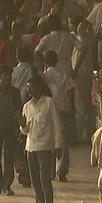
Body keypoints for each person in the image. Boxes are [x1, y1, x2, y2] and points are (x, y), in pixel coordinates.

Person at [16, 77, 62, 203]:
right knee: (35, 180)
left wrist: (58, 145)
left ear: (39, 88)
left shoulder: (49, 102)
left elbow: (57, 126)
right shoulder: (27, 106)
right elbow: (25, 131)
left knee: (45, 180)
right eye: (28, 87)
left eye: (32, 87)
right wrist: (22, 124)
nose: (29, 90)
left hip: (45, 147)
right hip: (31, 147)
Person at [42, 51, 75, 182]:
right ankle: (62, 171)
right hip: (63, 109)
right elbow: (71, 91)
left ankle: (50, 171)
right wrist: (70, 106)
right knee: (63, 140)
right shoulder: (64, 75)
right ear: (57, 61)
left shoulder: (43, 76)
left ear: (45, 62)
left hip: (48, 110)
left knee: (49, 139)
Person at [0, 65, 21, 195]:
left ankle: (6, 185)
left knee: (9, 157)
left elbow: (18, 109)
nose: (8, 77)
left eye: (9, 75)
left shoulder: (14, 92)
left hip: (9, 127)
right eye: (5, 74)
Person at [70, 15, 96, 144]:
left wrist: (82, 21)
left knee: (80, 106)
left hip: (81, 74)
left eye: (71, 24)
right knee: (84, 105)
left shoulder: (85, 37)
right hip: (82, 74)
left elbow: (81, 29)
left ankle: (82, 135)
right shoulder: (76, 38)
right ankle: (86, 133)